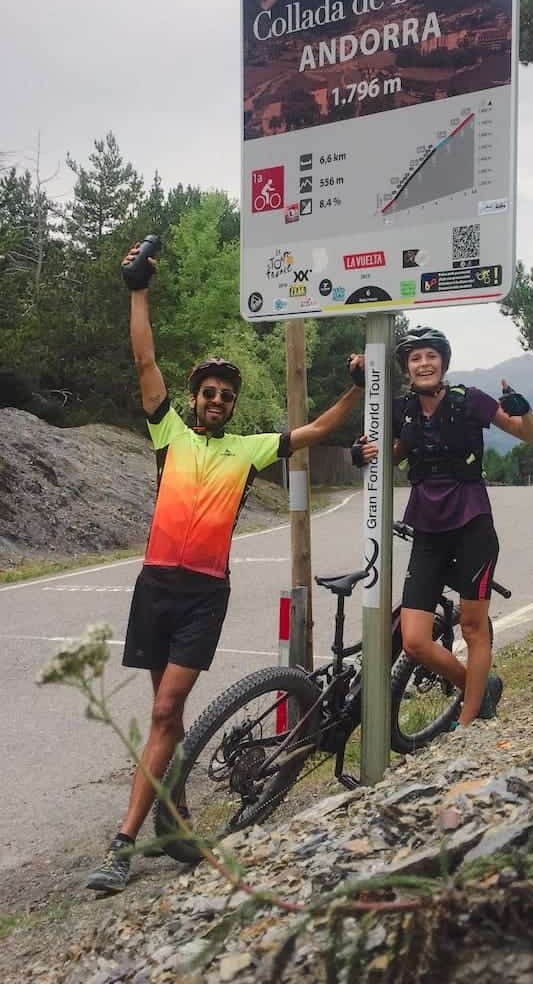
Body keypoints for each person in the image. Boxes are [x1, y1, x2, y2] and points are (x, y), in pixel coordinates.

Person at [86, 243, 371, 894]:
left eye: (226, 395)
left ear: (233, 404)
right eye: (208, 391)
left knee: (163, 710)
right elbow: (144, 358)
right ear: (193, 396)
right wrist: (137, 289)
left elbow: (319, 426)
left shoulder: (248, 449)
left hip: (203, 595)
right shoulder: (170, 433)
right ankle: (178, 812)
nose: (216, 399)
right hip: (154, 586)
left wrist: (356, 386)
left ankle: (123, 844)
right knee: (169, 717)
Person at [355, 326, 533, 731]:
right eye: (416, 358)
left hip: (473, 524)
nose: (424, 363)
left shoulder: (469, 400)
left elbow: (526, 435)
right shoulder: (403, 410)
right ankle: (478, 686)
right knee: (415, 640)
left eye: (431, 356)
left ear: (443, 362)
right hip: (427, 527)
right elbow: (390, 454)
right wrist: (364, 451)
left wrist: (523, 409)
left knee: (473, 626)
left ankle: (469, 722)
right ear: (407, 368)